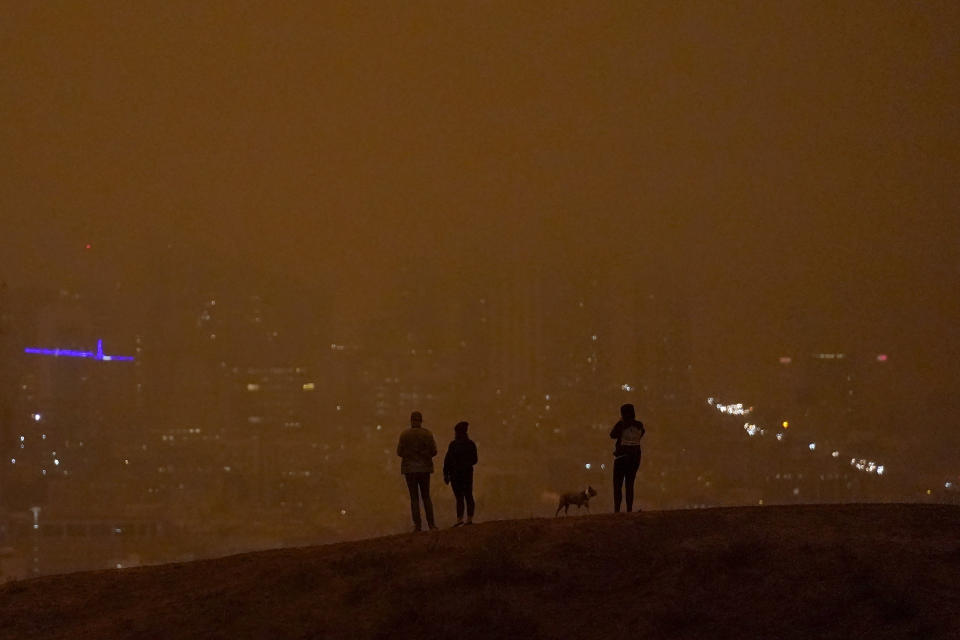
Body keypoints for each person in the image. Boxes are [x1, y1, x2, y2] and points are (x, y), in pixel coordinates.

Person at [396, 410, 438, 531]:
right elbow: (434, 451)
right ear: (420, 421)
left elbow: (399, 452)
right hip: (424, 469)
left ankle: (417, 525)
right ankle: (431, 524)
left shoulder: (404, 435)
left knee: (414, 498)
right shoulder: (427, 434)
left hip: (409, 470)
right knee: (426, 497)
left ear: (411, 420)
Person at [609, 403, 645, 513]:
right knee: (630, 484)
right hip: (635, 458)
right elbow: (642, 433)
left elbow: (612, 435)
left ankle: (617, 510)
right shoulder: (639, 425)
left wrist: (620, 421)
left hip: (621, 458)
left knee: (618, 485)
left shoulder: (621, 425)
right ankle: (629, 509)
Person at [442, 421, 478, 527]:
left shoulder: (453, 445)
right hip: (467, 474)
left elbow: (447, 461)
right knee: (468, 495)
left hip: (455, 475)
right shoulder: (471, 444)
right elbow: (475, 460)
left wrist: (446, 474)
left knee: (459, 497)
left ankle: (459, 519)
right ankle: (469, 518)